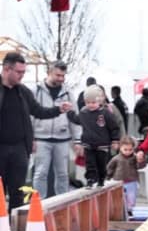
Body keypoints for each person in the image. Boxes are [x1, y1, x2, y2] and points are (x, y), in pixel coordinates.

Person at [0, 52, 71, 209]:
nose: (22, 76)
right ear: (6, 69)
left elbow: (38, 111)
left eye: (24, 72)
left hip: (19, 148)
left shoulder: (23, 91)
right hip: (1, 147)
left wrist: (58, 110)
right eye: (19, 72)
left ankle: (16, 221)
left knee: (18, 191)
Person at [31, 60, 81, 198]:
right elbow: (30, 115)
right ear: (49, 72)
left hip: (62, 139)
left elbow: (75, 117)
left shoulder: (68, 93)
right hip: (41, 138)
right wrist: (30, 138)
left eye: (63, 76)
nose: (61, 79)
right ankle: (39, 203)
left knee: (63, 174)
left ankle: (62, 203)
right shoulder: (36, 91)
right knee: (40, 173)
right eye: (58, 75)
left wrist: (77, 140)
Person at [67, 85, 121, 188]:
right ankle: (90, 179)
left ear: (99, 101)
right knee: (90, 163)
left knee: (101, 164)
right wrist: (69, 112)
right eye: (88, 103)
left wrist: (115, 140)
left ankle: (101, 179)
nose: (90, 105)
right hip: (88, 144)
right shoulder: (84, 112)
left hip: (102, 145)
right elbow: (76, 119)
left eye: (93, 102)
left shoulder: (105, 113)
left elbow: (114, 127)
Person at [107, 135, 146, 217]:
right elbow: (110, 168)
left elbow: (140, 166)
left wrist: (140, 160)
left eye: (130, 150)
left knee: (131, 197)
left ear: (133, 149)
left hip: (132, 181)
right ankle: (120, 210)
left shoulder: (135, 157)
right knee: (119, 197)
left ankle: (129, 209)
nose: (128, 152)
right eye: (125, 149)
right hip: (118, 181)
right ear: (120, 148)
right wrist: (108, 178)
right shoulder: (116, 158)